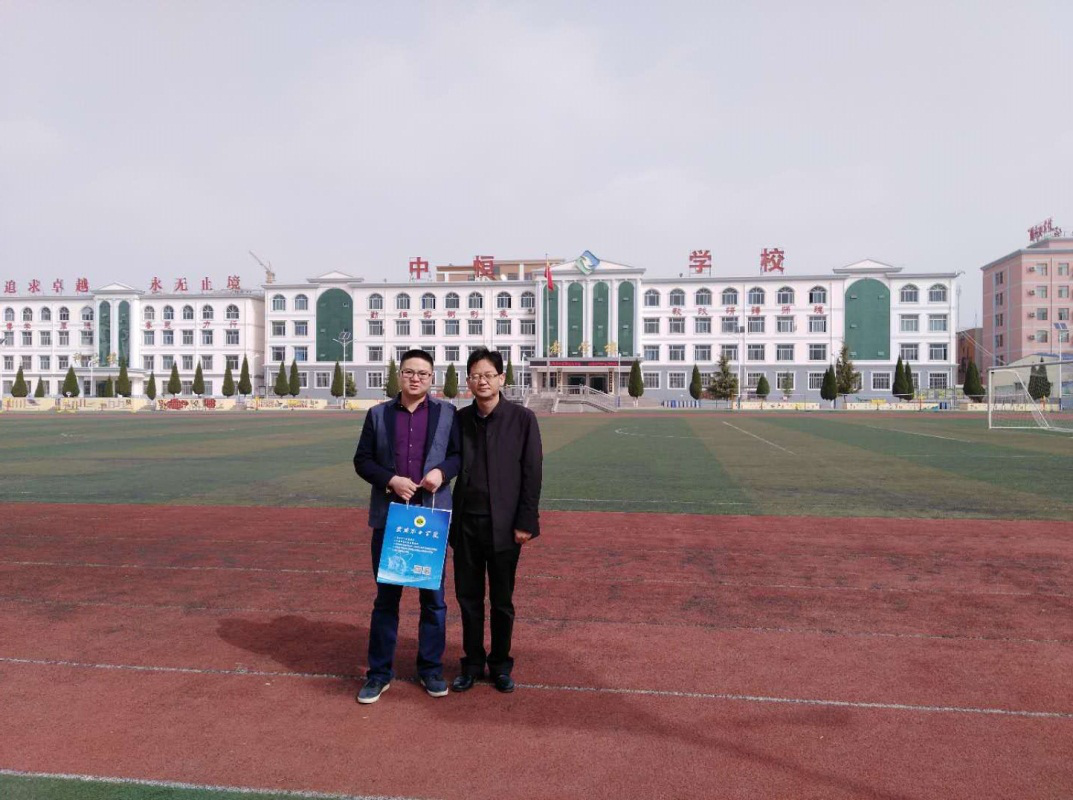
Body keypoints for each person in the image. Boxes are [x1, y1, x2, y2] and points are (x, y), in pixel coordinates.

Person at [353, 349, 459, 704]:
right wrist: (391, 480)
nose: (416, 378)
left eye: (423, 374)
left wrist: (441, 471)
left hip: (431, 519)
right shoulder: (378, 414)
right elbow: (362, 460)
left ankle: (430, 669)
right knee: (386, 600)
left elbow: (458, 455)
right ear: (400, 375)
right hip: (391, 519)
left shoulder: (447, 413)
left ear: (432, 378)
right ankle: (379, 673)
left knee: (434, 600)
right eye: (410, 372)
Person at [448, 347, 543, 694]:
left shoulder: (522, 419)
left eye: (489, 375)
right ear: (468, 381)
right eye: (476, 376)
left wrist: (526, 522)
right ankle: (472, 664)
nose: (482, 381)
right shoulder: (460, 419)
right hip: (465, 525)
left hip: (505, 527)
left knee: (502, 600)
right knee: (468, 598)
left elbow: (532, 473)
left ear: (502, 378)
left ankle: (501, 665)